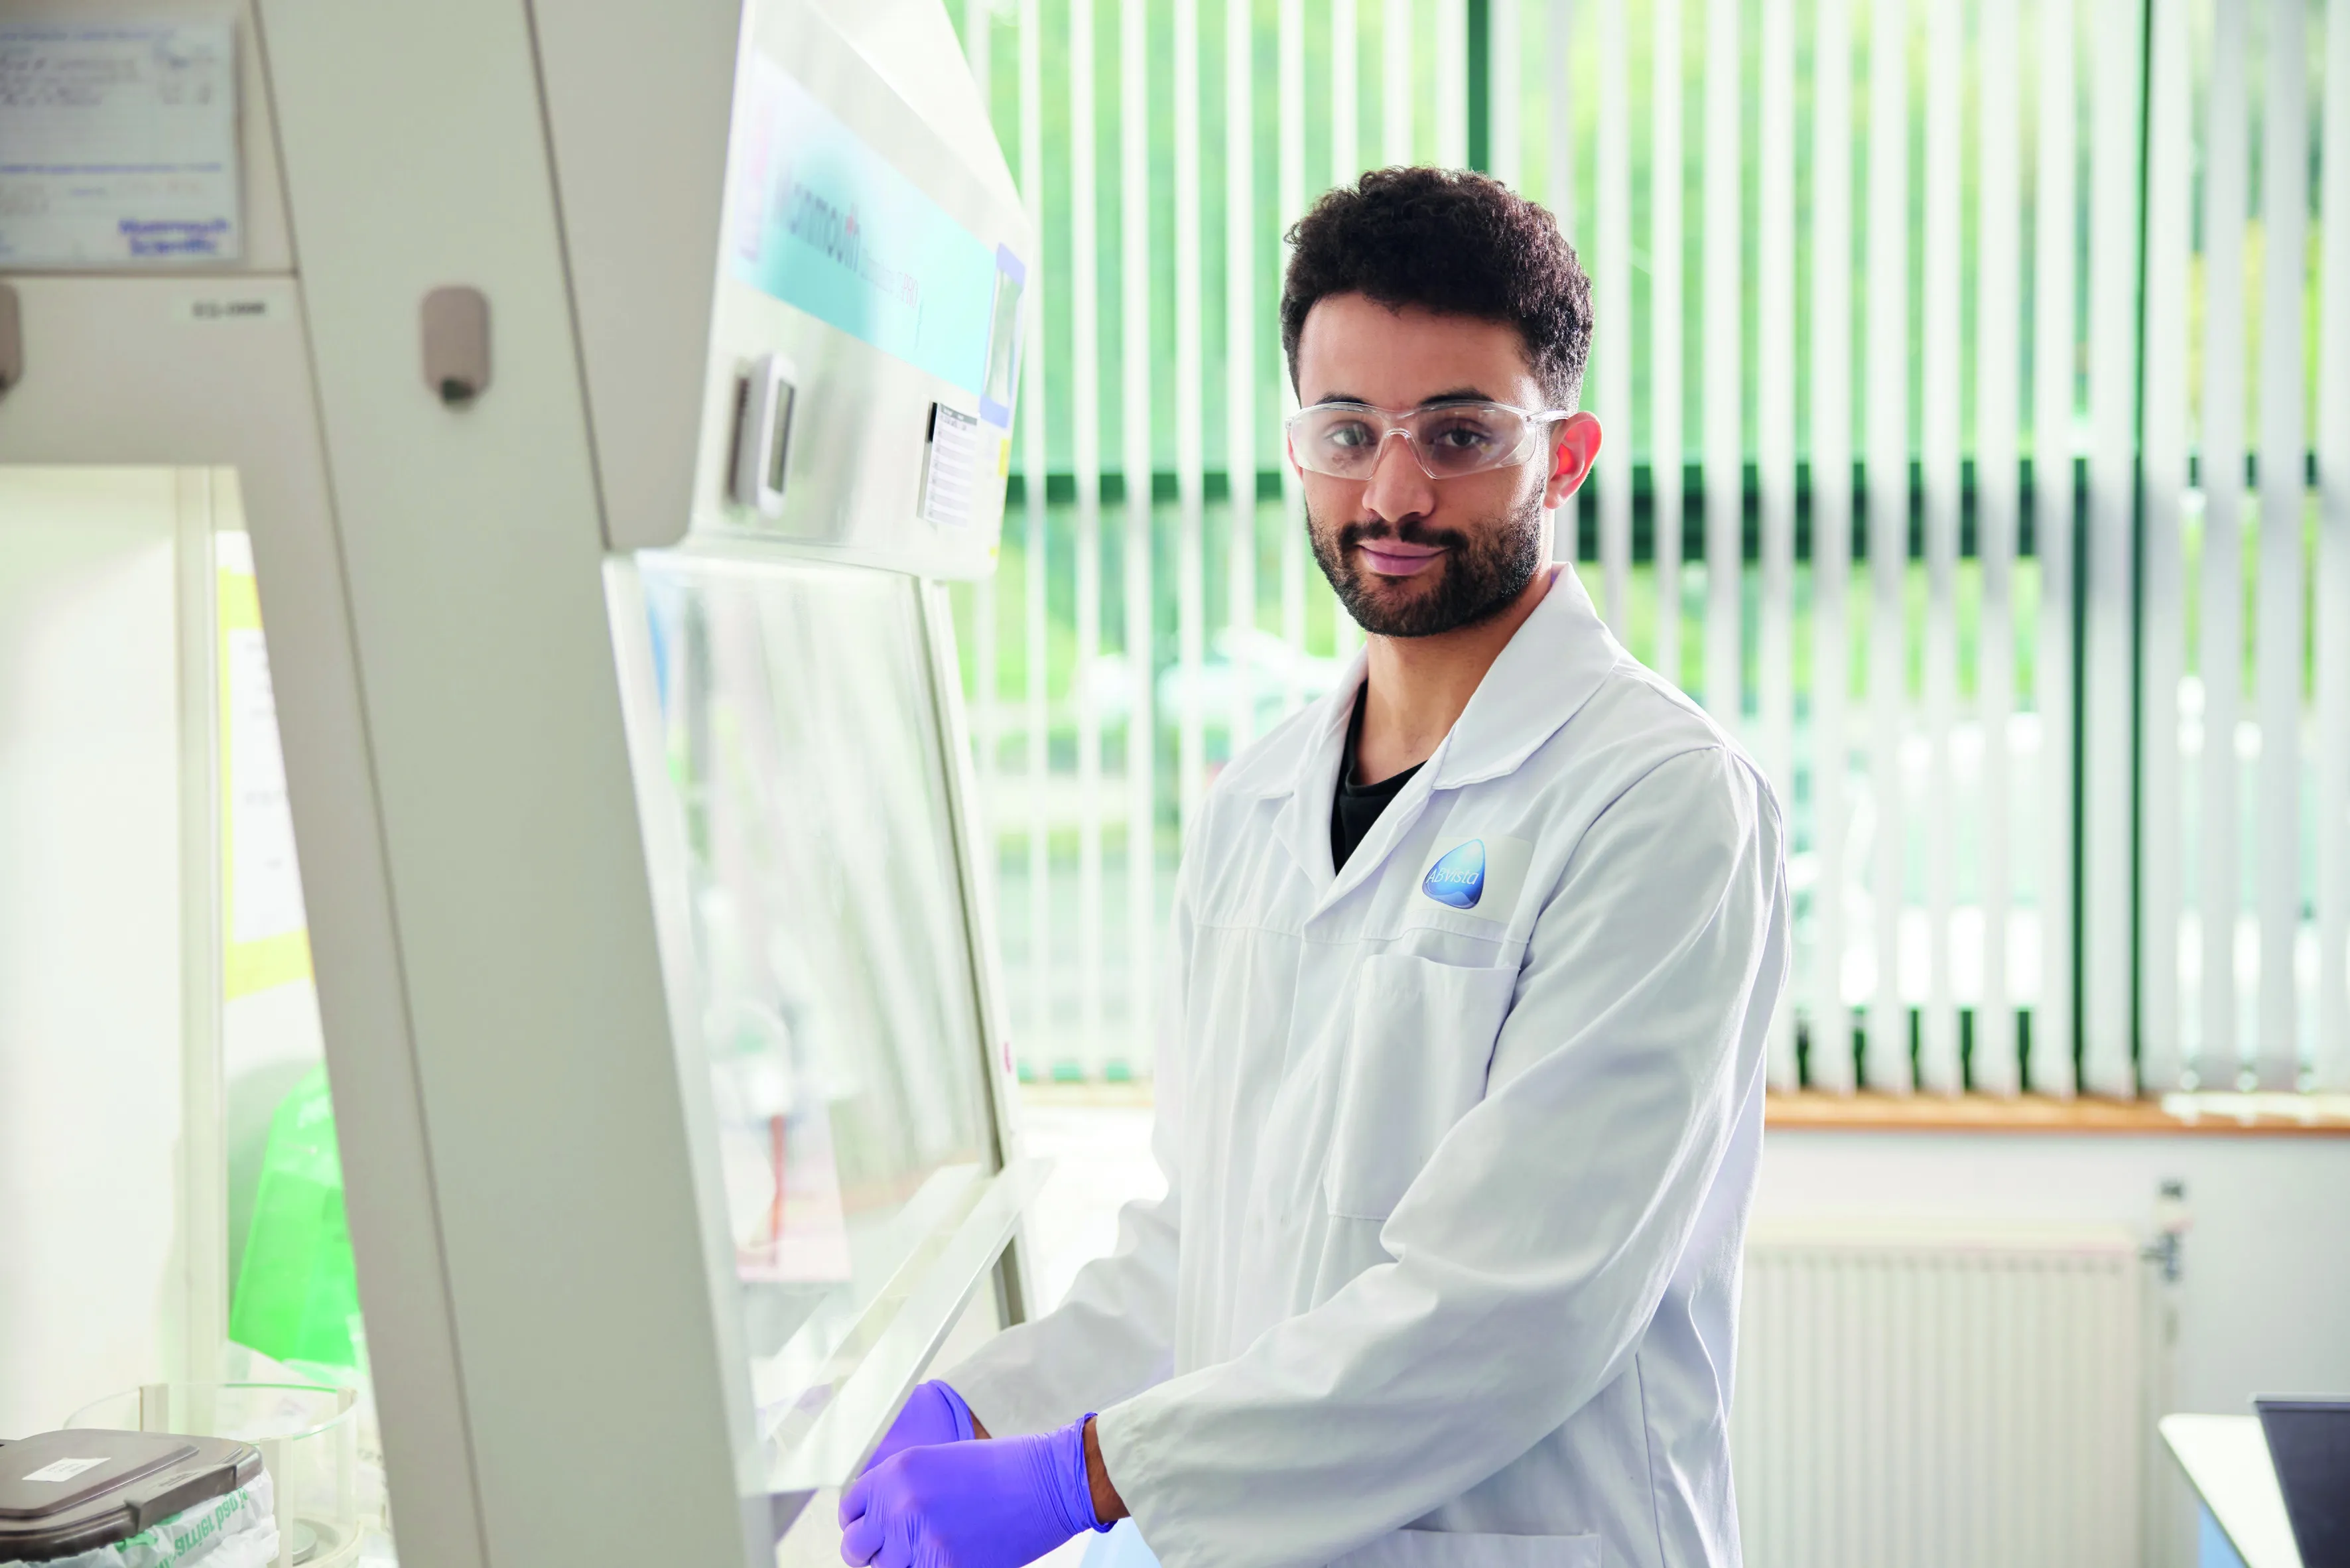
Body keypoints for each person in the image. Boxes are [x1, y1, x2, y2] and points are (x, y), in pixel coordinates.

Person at [838, 167, 1789, 1568]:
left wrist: (1085, 1473)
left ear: (1565, 453)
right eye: (1348, 430)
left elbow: (1510, 1309)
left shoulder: (1658, 804)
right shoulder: (1258, 804)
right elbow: (1204, 1244)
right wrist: (987, 1405)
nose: (1393, 489)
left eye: (1457, 433)